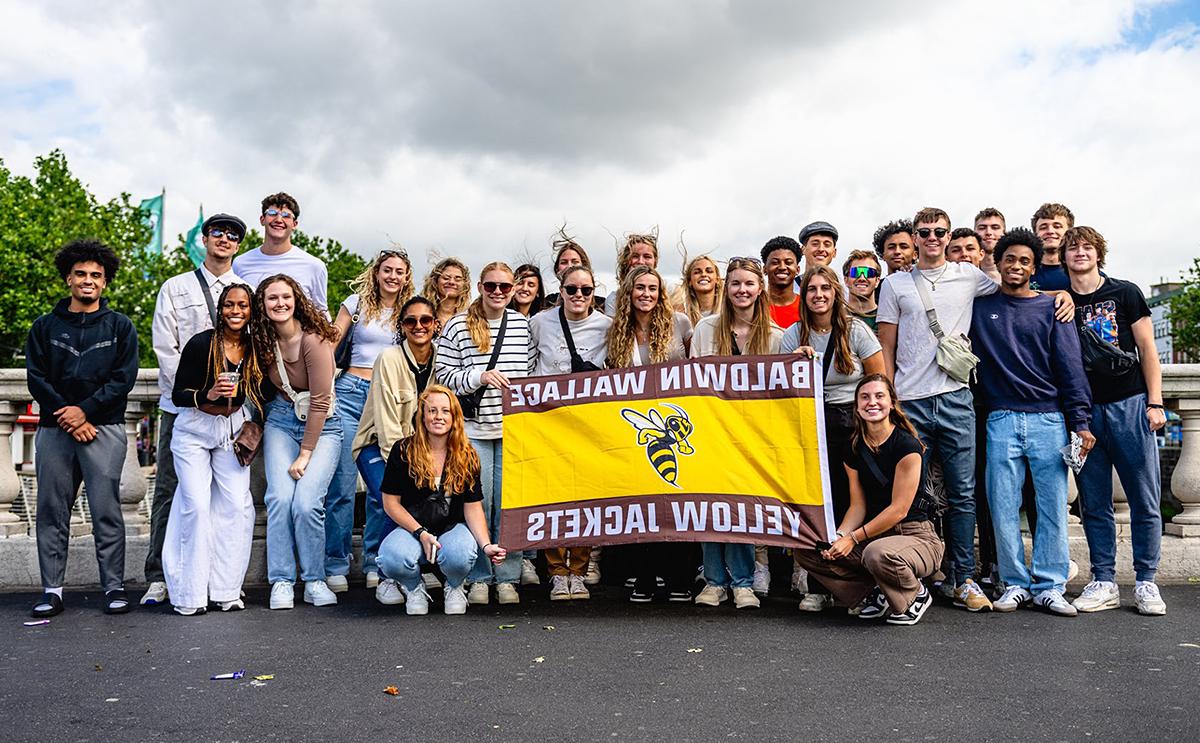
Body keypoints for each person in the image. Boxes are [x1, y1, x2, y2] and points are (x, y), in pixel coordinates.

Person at [877, 207, 1002, 613]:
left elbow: (1017, 288)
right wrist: (891, 397)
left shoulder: (968, 276)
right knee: (912, 496)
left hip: (955, 396)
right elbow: (887, 345)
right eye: (924, 231)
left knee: (963, 492)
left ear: (950, 236)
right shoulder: (896, 284)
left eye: (940, 231)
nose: (932, 237)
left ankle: (962, 576)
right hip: (910, 399)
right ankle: (920, 572)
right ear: (913, 237)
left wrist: (1062, 294)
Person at [970, 228, 1094, 617]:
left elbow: (1070, 367)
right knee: (1002, 505)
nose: (1016, 266)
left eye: (1025, 261)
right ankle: (1014, 583)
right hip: (1001, 419)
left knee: (1054, 505)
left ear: (1034, 267)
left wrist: (1081, 422)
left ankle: (1050, 585)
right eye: (1010, 259)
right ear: (999, 262)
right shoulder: (979, 308)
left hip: (1049, 419)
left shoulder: (1053, 308)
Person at [27, 239, 138, 617]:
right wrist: (68, 415)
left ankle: (114, 587)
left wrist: (86, 412)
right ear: (68, 279)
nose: (88, 280)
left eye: (96, 275)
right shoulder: (43, 327)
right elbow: (37, 379)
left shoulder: (121, 327)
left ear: (105, 282)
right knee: (52, 509)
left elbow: (123, 379)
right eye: (81, 274)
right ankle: (52, 590)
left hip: (103, 428)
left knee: (106, 509)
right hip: (55, 429)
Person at [142, 213, 247, 606]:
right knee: (172, 491)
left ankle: (217, 581)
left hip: (233, 413)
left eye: (232, 235)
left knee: (229, 499)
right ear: (203, 239)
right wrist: (198, 396)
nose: (224, 239)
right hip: (183, 406)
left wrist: (236, 405)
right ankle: (160, 575)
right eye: (217, 232)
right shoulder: (177, 286)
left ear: (238, 244)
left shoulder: (245, 289)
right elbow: (165, 347)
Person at [1064, 227, 1168, 615]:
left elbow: (1147, 350)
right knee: (1093, 501)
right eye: (1072, 248)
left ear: (1098, 254)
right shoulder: (1061, 300)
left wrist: (1154, 403)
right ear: (1064, 257)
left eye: (1087, 247)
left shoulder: (1125, 292)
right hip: (1084, 413)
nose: (1080, 253)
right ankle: (1103, 579)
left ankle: (1146, 581)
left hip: (1129, 404)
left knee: (1144, 496)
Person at [792, 375, 943, 626]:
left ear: (892, 403)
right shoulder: (853, 447)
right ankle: (872, 593)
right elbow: (858, 505)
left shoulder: (907, 445)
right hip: (876, 536)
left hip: (915, 536)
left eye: (879, 396)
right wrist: (839, 536)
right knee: (809, 549)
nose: (872, 402)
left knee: (877, 553)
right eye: (865, 397)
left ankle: (915, 594)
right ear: (857, 406)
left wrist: (853, 539)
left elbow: (899, 510)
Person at [782, 265, 884, 610]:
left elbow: (878, 383)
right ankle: (819, 585)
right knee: (815, 506)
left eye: (825, 288)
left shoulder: (855, 331)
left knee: (851, 502)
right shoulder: (793, 334)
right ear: (804, 295)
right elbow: (779, 390)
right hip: (810, 427)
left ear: (835, 292)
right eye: (811, 289)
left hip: (851, 427)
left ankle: (858, 584)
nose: (819, 295)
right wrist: (793, 364)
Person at [162, 283, 264, 615]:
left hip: (231, 430)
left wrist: (253, 421)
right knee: (196, 506)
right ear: (220, 310)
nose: (236, 311)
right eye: (229, 305)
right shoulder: (202, 343)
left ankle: (225, 589)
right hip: (194, 429)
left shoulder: (254, 347)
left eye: (243, 306)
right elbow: (178, 395)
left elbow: (265, 389)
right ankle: (188, 594)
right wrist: (209, 393)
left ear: (251, 311)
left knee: (236, 505)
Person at [437, 261, 535, 605]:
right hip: (474, 429)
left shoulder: (523, 326)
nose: (497, 292)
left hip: (513, 430)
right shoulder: (458, 326)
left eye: (504, 287)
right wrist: (479, 376)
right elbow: (443, 375)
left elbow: (534, 374)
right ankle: (479, 575)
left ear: (513, 289)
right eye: (491, 285)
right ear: (479, 286)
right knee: (478, 503)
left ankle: (507, 575)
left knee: (509, 506)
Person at [690, 257, 783, 610]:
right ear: (725, 289)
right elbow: (692, 382)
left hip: (752, 436)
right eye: (735, 284)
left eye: (748, 283)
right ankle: (714, 581)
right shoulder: (705, 329)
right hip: (711, 432)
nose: (742, 290)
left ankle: (743, 582)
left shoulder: (774, 336)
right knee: (711, 506)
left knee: (743, 509)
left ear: (759, 288)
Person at [323, 248, 413, 592]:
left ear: (406, 277)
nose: (392, 276)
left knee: (382, 487)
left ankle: (376, 560)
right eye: (387, 269)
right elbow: (330, 342)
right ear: (376, 272)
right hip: (350, 392)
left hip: (387, 398)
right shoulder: (357, 303)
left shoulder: (408, 312)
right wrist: (322, 386)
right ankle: (336, 562)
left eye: (399, 271)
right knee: (341, 487)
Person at [376, 386, 509, 615]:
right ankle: (413, 587)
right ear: (422, 415)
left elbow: (473, 507)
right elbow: (391, 504)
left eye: (445, 411)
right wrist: (421, 533)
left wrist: (486, 545)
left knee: (462, 555)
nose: (438, 417)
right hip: (413, 529)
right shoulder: (403, 450)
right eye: (432, 410)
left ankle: (455, 586)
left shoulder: (467, 454)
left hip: (451, 527)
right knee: (391, 558)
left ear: (455, 417)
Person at [253, 274, 343, 610]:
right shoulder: (262, 342)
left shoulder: (314, 340)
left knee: (306, 503)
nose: (280, 304)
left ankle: (315, 579)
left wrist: (305, 454)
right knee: (278, 497)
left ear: (296, 301)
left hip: (323, 427)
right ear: (262, 305)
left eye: (285, 297)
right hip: (280, 419)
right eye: (271, 298)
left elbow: (321, 400)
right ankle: (281, 580)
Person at [606, 266, 695, 602]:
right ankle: (643, 575)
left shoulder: (681, 324)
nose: (646, 294)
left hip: (671, 423)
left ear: (661, 293)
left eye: (652, 288)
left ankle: (678, 577)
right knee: (638, 504)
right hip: (633, 426)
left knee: (674, 503)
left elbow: (698, 368)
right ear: (629, 292)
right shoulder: (615, 329)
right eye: (639, 287)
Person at [530, 265, 612, 599]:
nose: (579, 296)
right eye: (572, 289)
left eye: (586, 290)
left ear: (594, 293)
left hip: (586, 423)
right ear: (560, 291)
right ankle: (555, 570)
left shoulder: (606, 326)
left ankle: (577, 571)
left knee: (584, 499)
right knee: (552, 498)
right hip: (546, 421)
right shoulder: (539, 323)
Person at [352, 296, 440, 605]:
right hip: (378, 446)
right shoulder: (388, 359)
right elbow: (388, 424)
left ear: (435, 325)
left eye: (425, 320)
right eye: (410, 321)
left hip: (423, 453)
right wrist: (409, 469)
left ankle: (413, 564)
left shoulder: (440, 361)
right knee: (391, 497)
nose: (418, 326)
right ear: (401, 327)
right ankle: (386, 573)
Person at [232, 193, 328, 311]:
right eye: (272, 213)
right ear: (262, 220)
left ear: (294, 224)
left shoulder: (315, 266)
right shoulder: (240, 263)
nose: (278, 219)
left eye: (286, 215)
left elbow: (321, 313)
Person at [604, 232, 659, 317]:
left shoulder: (664, 297)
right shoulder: (614, 299)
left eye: (647, 256)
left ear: (655, 261)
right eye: (635, 256)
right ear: (626, 261)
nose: (641, 261)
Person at [761, 236, 803, 329]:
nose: (782, 267)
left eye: (788, 262)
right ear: (764, 269)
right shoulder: (755, 306)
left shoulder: (807, 307)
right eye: (775, 262)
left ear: (797, 269)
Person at [1030, 202, 1074, 291]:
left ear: (1070, 232)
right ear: (1035, 234)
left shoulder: (1083, 271)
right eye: (1043, 227)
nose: (1050, 231)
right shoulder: (1024, 272)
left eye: (1057, 226)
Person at [672, 254, 722, 326]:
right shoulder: (682, 315)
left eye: (709, 271)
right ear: (690, 281)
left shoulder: (728, 310)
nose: (703, 274)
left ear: (717, 279)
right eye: (697, 272)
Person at [423, 257, 472, 329]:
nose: (451, 282)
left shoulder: (470, 319)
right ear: (435, 282)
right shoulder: (422, 315)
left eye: (457, 279)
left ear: (464, 285)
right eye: (446, 278)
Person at [841, 250, 883, 331]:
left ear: (877, 281)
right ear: (846, 280)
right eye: (856, 272)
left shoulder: (887, 318)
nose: (862, 278)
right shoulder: (835, 317)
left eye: (869, 272)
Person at [973, 207, 1005, 280]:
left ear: (1004, 232)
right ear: (974, 233)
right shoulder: (965, 272)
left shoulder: (1014, 271)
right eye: (982, 228)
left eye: (995, 227)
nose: (988, 232)